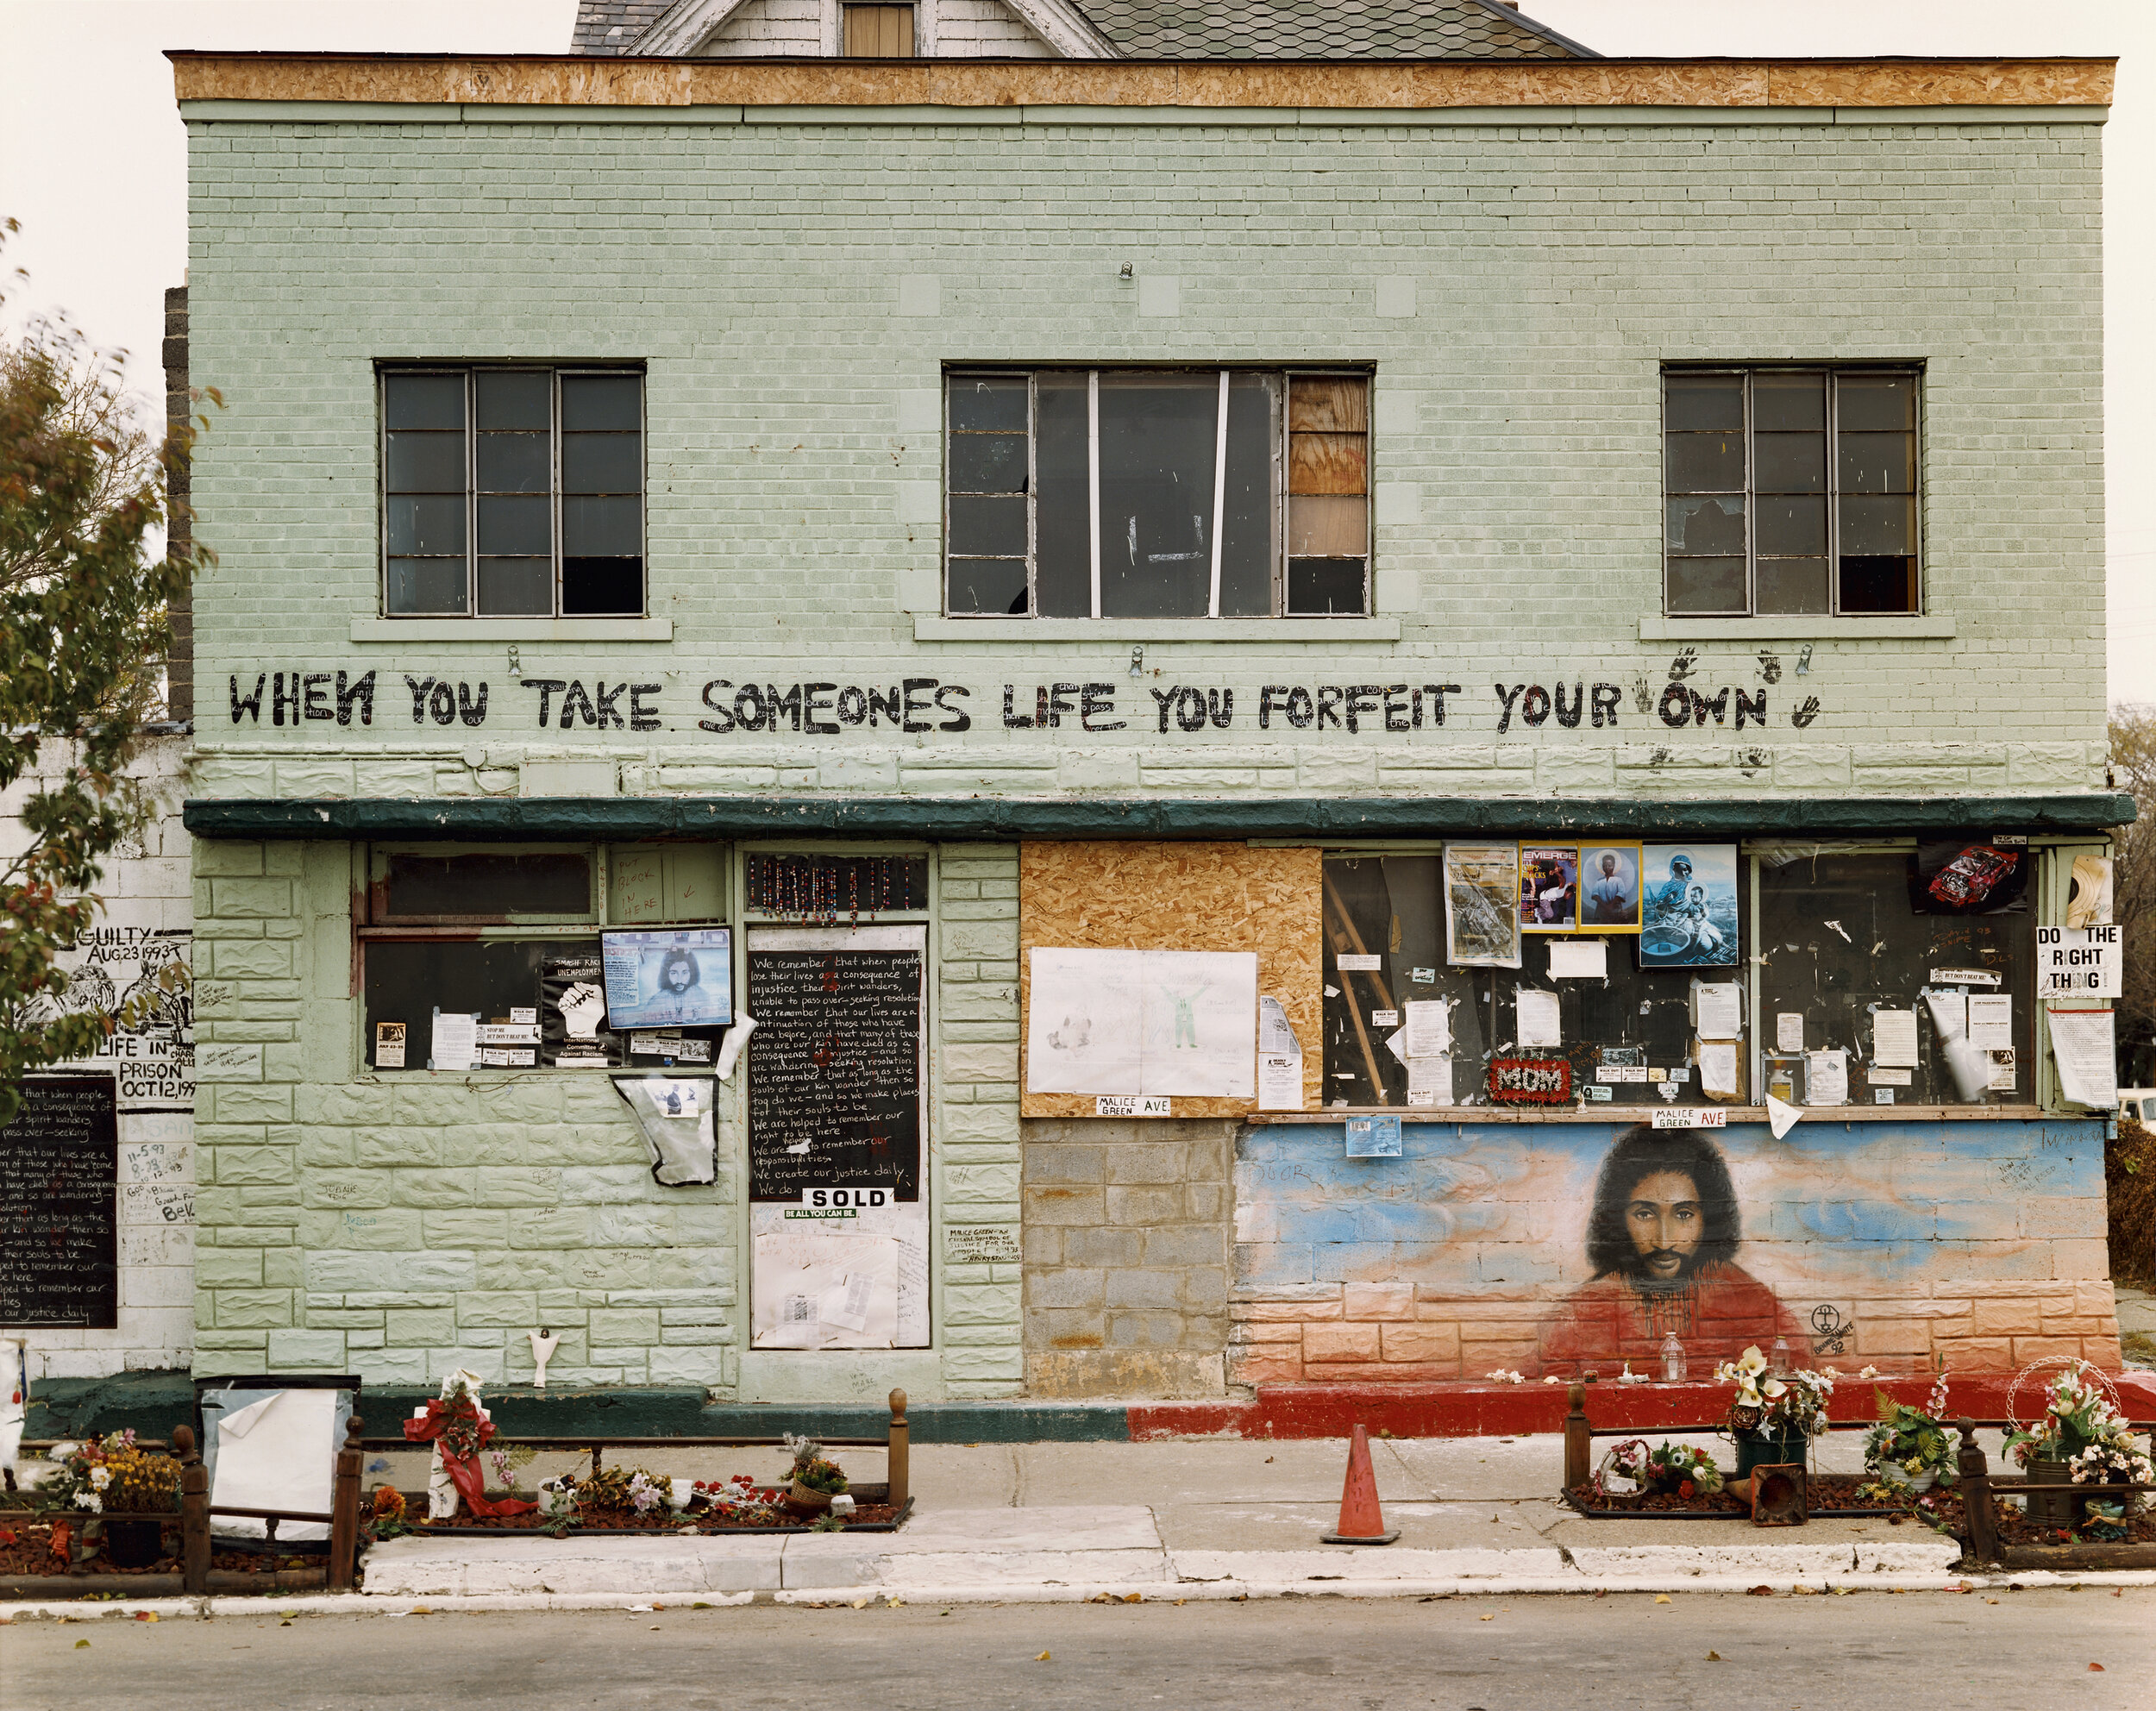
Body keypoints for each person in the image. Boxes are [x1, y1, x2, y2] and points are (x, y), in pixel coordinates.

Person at [1538, 1126, 1808, 1375]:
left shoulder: (1750, 1302)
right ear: (1618, 1218)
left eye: (1684, 1214)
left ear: (1709, 1219)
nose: (1664, 1241)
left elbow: (1798, 1370)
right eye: (1645, 1214)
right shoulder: (1582, 1314)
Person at [639, 947, 705, 1025]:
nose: (679, 980)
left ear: (692, 973)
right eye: (674, 973)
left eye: (685, 973)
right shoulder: (657, 1000)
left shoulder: (701, 995)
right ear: (666, 974)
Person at [1584, 851, 1634, 925]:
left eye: (1610, 865)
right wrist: (1605, 906)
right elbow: (1595, 895)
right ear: (1602, 866)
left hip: (1615, 910)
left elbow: (1621, 894)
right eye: (1605, 865)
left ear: (1614, 866)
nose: (1607, 868)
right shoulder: (1599, 881)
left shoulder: (1619, 880)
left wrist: (1611, 906)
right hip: (1601, 911)